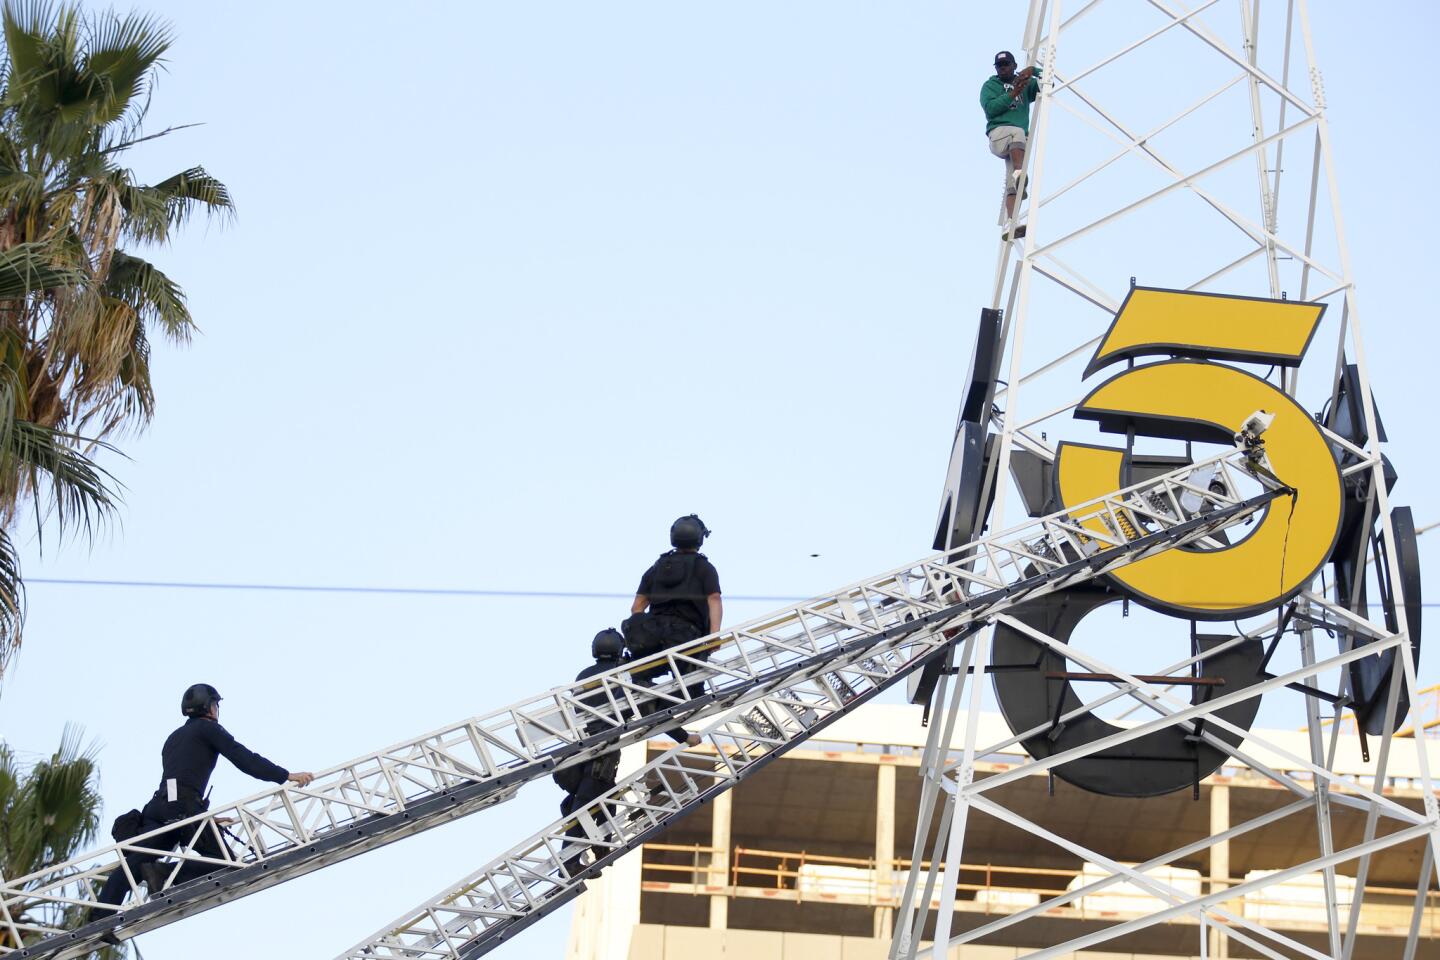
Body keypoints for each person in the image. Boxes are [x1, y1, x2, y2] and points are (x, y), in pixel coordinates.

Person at [92, 684, 315, 911]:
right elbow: (245, 758)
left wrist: (204, 817)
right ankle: (163, 874)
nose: (217, 709)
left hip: (158, 806)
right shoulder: (208, 729)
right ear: (209, 707)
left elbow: (181, 776)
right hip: (183, 807)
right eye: (216, 705)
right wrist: (285, 775)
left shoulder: (173, 738)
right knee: (227, 866)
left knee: (136, 862)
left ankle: (99, 916)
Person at [557, 629, 700, 874]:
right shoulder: (623, 678)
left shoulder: (584, 677)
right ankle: (569, 863)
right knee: (586, 805)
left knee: (604, 801)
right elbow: (654, 714)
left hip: (575, 755)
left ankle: (602, 846)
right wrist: (685, 737)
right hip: (600, 753)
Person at [623, 514, 722, 701]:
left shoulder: (657, 567)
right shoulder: (704, 567)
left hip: (653, 631)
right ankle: (663, 701)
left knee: (641, 675)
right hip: (686, 637)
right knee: (693, 693)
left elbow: (636, 607)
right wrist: (714, 636)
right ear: (700, 538)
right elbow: (714, 599)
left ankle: (649, 693)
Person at [980, 50, 1042, 237]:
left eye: (1007, 64)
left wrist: (1033, 70)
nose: (1003, 68)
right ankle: (1018, 173)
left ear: (1014, 66)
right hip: (999, 134)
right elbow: (991, 109)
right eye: (1000, 65)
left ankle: (1011, 223)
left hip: (1018, 143)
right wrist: (1013, 93)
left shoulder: (1024, 81)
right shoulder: (991, 85)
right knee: (1017, 133)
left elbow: (1049, 83)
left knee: (1013, 183)